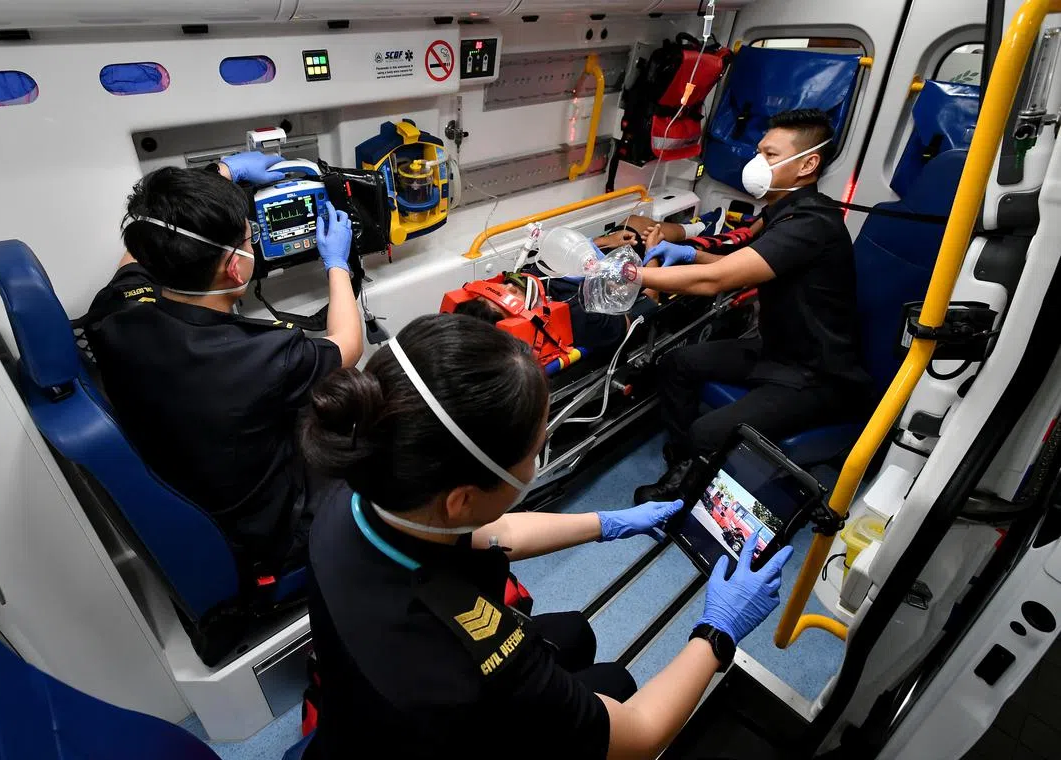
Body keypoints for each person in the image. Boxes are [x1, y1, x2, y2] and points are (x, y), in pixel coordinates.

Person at [299, 313, 794, 759]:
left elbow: (494, 531)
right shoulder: (489, 660)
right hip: (438, 725)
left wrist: (609, 523)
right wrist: (718, 632)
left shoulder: (361, 484)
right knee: (618, 685)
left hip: (360, 725)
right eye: (533, 453)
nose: (536, 466)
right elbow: (640, 734)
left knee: (575, 634)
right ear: (461, 499)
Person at [83, 151, 363, 573]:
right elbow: (348, 344)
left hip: (201, 490)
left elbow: (144, 243)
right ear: (235, 268)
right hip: (271, 534)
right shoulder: (260, 356)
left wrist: (223, 173)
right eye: (250, 237)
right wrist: (336, 264)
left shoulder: (117, 314)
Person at [632, 108, 873, 504]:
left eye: (771, 155)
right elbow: (735, 266)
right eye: (759, 151)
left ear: (808, 164)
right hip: (779, 352)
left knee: (706, 431)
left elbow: (718, 280)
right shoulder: (782, 213)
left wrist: (633, 277)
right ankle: (686, 467)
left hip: (817, 374)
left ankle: (685, 490)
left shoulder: (811, 224)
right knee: (678, 364)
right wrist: (687, 256)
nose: (757, 163)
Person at [453, 229, 655, 350]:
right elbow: (646, 305)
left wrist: (600, 243)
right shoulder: (577, 315)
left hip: (607, 255)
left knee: (635, 221)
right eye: (504, 302)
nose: (509, 288)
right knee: (652, 233)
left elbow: (559, 256)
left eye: (493, 291)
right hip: (641, 273)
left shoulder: (523, 279)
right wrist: (654, 252)